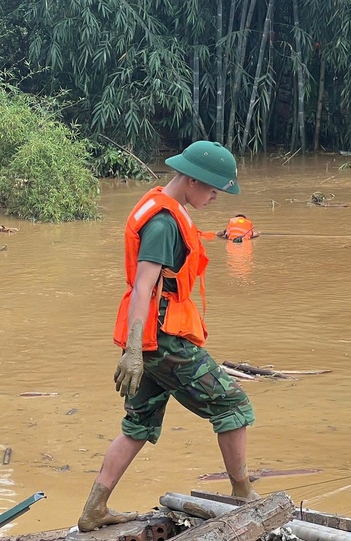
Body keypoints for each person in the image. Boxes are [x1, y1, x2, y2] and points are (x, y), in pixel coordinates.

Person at [78, 141, 258, 532]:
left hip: (153, 340)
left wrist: (137, 350)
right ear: (192, 180)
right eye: (212, 189)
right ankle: (243, 493)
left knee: (138, 423)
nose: (214, 197)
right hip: (162, 341)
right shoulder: (162, 224)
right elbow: (144, 287)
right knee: (233, 405)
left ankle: (95, 507)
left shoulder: (165, 208)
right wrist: (133, 352)